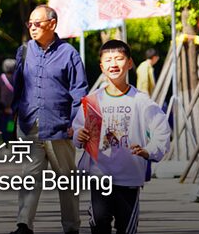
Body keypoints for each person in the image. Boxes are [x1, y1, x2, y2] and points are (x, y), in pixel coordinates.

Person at [73, 39, 171, 234]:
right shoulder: (92, 101)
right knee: (99, 223)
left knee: (126, 228)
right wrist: (79, 134)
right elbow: (77, 131)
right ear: (102, 66)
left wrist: (148, 151)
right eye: (108, 60)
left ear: (129, 63)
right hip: (100, 176)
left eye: (119, 59)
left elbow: (162, 132)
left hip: (129, 178)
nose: (114, 64)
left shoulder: (141, 100)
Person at [10, 5, 87, 234]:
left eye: (38, 23)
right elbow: (18, 86)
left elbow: (79, 91)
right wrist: (17, 112)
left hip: (59, 127)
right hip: (29, 126)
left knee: (67, 180)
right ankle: (24, 224)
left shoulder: (69, 54)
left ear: (52, 24)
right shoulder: (24, 51)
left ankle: (71, 227)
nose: (32, 27)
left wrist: (76, 123)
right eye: (30, 23)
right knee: (28, 178)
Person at [0, 58, 16, 142]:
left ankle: (5, 140)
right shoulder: (17, 78)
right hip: (13, 107)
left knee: (3, 124)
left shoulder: (1, 78)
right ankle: (10, 137)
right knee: (10, 124)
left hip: (3, 107)